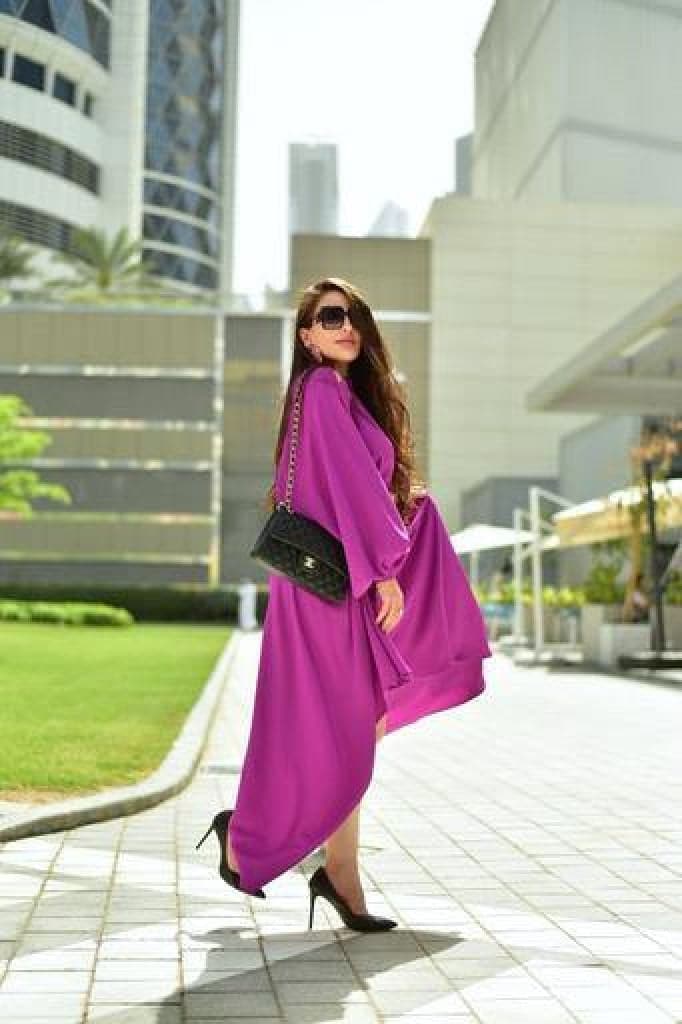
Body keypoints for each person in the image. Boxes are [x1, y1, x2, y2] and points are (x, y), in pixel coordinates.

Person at [196, 276, 492, 931]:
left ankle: (332, 866)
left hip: (326, 582)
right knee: (348, 728)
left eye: (354, 315)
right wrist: (385, 572)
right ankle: (263, 842)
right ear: (307, 335)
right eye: (331, 317)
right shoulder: (322, 389)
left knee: (353, 724)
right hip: (331, 588)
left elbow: (359, 486)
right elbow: (354, 487)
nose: (346, 326)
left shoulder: (338, 395)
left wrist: (405, 523)